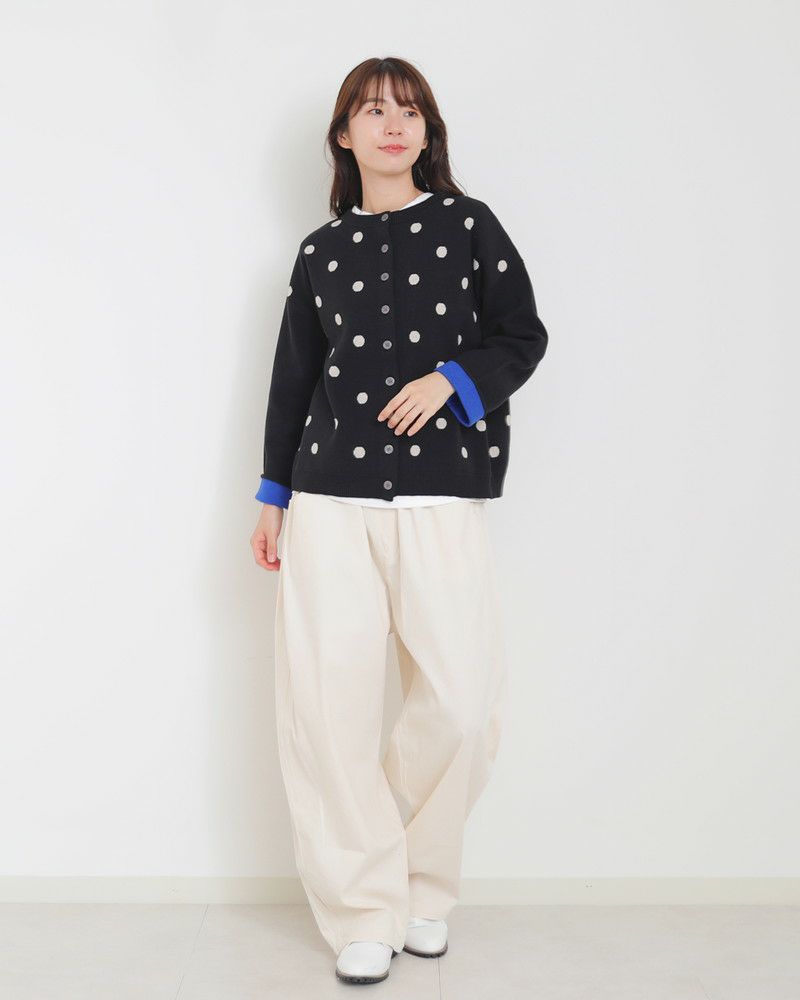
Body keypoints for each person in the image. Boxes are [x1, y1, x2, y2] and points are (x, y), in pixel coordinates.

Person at [250, 56, 549, 985]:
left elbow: (522, 334)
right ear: (344, 135)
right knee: (328, 708)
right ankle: (361, 910)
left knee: (460, 704)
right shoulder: (320, 252)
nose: (393, 125)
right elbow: (294, 378)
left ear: (428, 133)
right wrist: (272, 495)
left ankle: (419, 886)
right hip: (329, 501)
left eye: (410, 112)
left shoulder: (469, 226)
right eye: (374, 111)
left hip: (441, 496)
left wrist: (453, 381)